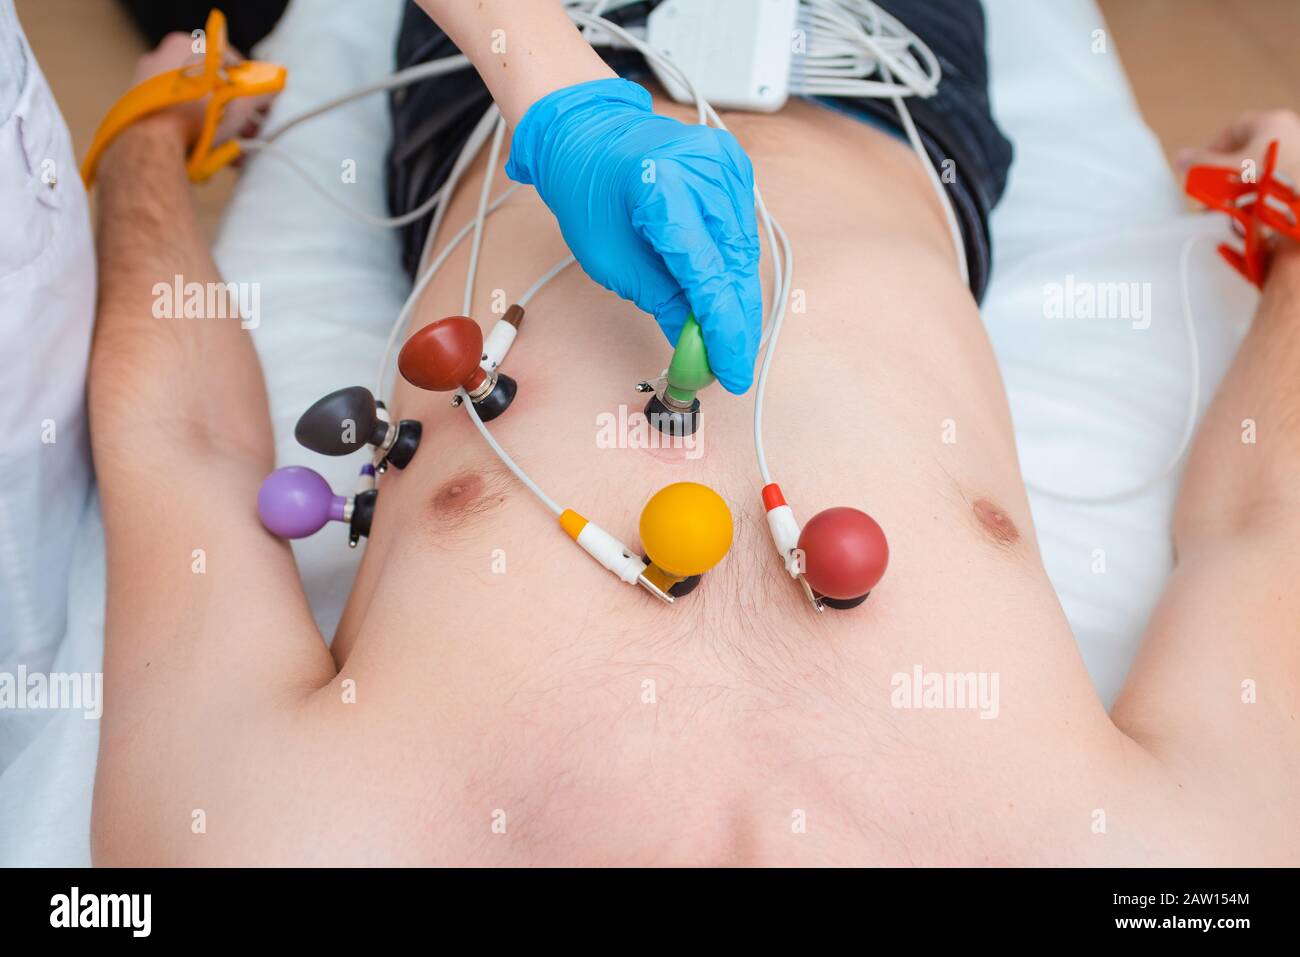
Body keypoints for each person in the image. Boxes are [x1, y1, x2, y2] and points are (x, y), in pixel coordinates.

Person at [86, 0, 1297, 865]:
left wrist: (145, 129)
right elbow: (1267, 522)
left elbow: (179, 442)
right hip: (880, 69)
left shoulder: (287, 842)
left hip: (499, 84)